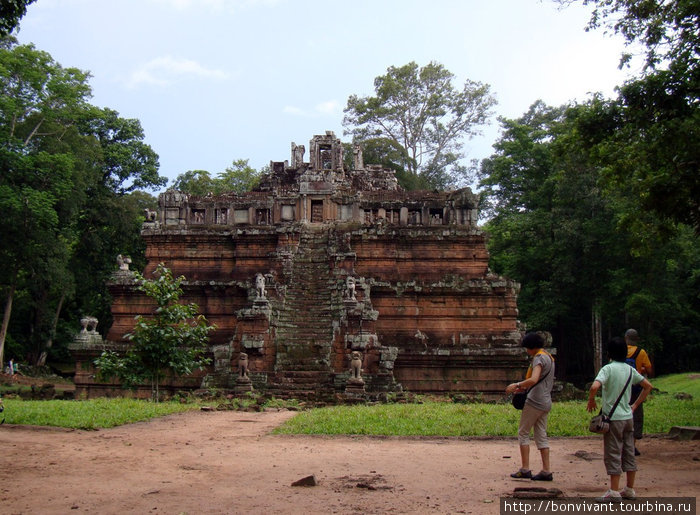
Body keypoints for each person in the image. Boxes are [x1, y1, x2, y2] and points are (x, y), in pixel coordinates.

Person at [587, 336, 653, 502]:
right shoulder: (630, 369)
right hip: (628, 417)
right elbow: (648, 386)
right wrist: (635, 405)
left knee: (613, 452)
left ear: (609, 353)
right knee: (629, 451)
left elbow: (595, 386)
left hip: (613, 419)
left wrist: (592, 399)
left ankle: (614, 491)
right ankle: (629, 489)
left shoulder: (608, 369)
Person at [505, 332, 555, 481]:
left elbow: (534, 379)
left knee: (523, 432)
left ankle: (525, 468)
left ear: (532, 347)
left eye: (527, 348)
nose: (527, 351)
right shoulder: (549, 357)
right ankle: (546, 470)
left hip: (534, 402)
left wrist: (517, 385)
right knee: (541, 435)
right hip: (546, 401)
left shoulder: (539, 358)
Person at [624, 328, 653, 455]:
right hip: (636, 388)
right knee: (636, 416)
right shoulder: (641, 352)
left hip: (622, 387)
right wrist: (640, 368)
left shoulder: (621, 351)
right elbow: (649, 370)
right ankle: (632, 445)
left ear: (626, 338)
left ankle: (621, 444)